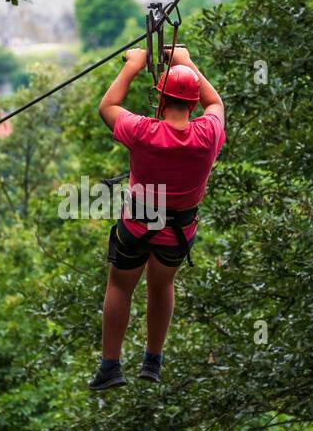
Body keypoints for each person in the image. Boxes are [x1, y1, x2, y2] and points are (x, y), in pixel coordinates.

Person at [88, 45, 225, 390]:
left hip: (138, 222)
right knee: (161, 284)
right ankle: (152, 361)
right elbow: (216, 104)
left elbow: (107, 107)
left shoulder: (142, 131)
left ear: (160, 99)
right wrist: (186, 61)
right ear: (191, 104)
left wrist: (134, 65)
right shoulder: (208, 135)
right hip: (178, 232)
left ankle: (110, 367)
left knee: (121, 285)